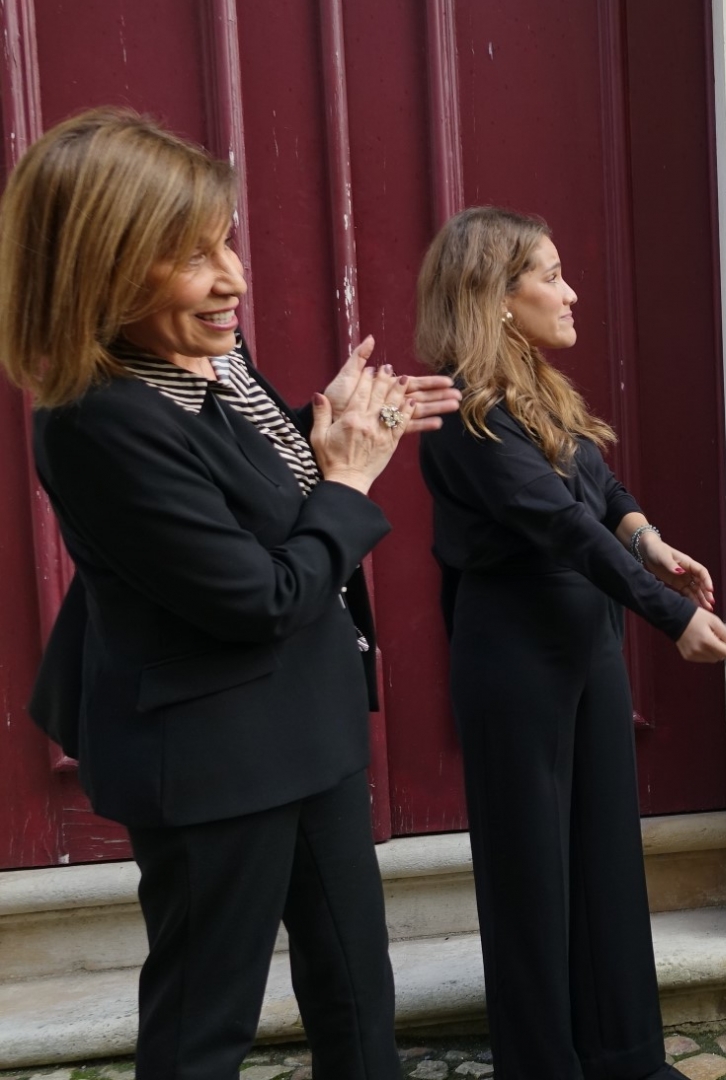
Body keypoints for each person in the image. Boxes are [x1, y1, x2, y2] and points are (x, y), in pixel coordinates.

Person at [0, 107, 460, 1078]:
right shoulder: (95, 422)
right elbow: (256, 595)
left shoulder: (204, 363)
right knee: (205, 1023)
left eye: (227, 241)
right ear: (101, 269)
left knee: (355, 988)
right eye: (191, 256)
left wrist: (324, 426)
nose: (234, 279)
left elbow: (227, 490)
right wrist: (344, 478)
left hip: (307, 725)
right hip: (211, 759)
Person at [415, 206, 726, 1080]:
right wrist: (671, 618)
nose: (571, 290)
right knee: (531, 877)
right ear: (495, 296)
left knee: (604, 863)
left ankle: (627, 1058)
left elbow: (597, 485)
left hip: (582, 640)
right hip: (515, 656)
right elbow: (560, 527)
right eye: (550, 275)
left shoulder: (538, 387)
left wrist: (646, 537)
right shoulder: (464, 414)